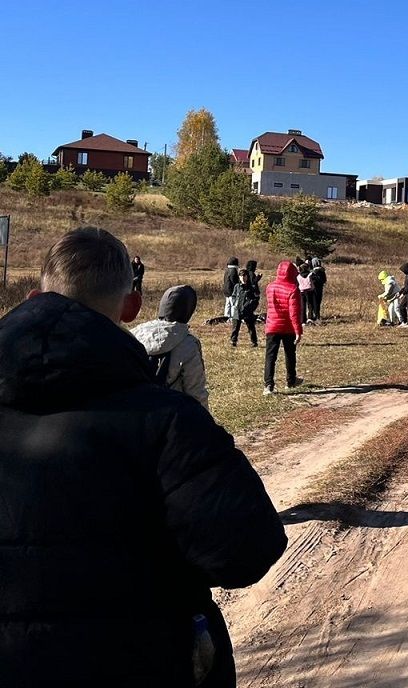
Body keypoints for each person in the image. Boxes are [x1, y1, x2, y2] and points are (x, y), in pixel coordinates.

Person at [0, 227, 285, 685]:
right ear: (131, 306)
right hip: (141, 660)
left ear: (36, 296)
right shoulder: (171, 421)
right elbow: (246, 552)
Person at [132, 284, 209, 409]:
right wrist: (204, 423)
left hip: (134, 411)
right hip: (171, 416)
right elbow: (195, 391)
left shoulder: (135, 333)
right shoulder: (188, 344)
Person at [264, 260, 304, 394]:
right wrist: (298, 331)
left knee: (270, 356)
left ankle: (268, 385)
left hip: (272, 325)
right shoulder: (293, 289)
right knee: (290, 354)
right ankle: (290, 381)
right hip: (287, 327)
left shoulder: (270, 287)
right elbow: (294, 313)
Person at [229, 267, 260, 348]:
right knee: (235, 327)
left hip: (248, 311)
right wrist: (234, 303)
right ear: (239, 277)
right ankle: (233, 341)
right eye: (241, 276)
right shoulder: (237, 286)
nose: (243, 278)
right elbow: (233, 296)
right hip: (237, 310)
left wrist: (251, 306)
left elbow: (256, 299)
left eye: (244, 276)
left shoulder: (251, 287)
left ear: (247, 277)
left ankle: (254, 342)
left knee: (251, 327)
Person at [309, 257, 328, 322]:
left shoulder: (312, 272)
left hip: (313, 289)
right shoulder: (322, 271)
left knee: (313, 302)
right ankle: (318, 316)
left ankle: (314, 316)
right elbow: (325, 280)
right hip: (320, 288)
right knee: (318, 302)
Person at [297, 262, 314, 327]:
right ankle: (309, 318)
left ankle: (303, 320)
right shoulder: (310, 274)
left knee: (303, 306)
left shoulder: (298, 276)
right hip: (310, 291)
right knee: (310, 305)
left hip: (301, 292)